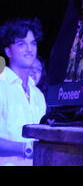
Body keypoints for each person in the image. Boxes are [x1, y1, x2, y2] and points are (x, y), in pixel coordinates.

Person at [0, 18, 47, 165]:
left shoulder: (38, 95)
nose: (29, 49)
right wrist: (27, 148)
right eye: (21, 44)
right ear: (8, 51)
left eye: (33, 43)